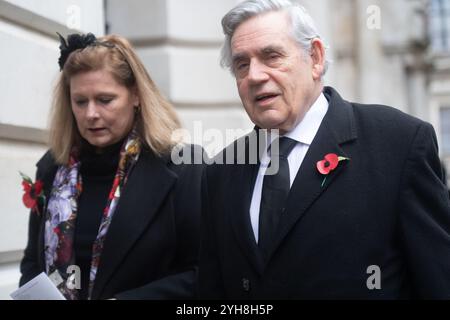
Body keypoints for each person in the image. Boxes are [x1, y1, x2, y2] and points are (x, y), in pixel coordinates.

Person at [198, 0, 450, 299]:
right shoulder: (221, 170)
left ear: (315, 58)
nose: (254, 75)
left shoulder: (398, 143)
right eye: (242, 64)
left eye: (272, 56)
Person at [19, 32, 203, 300]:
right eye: (80, 101)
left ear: (136, 96)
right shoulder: (53, 168)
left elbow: (203, 272)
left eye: (105, 100)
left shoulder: (183, 166)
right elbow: (32, 264)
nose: (91, 114)